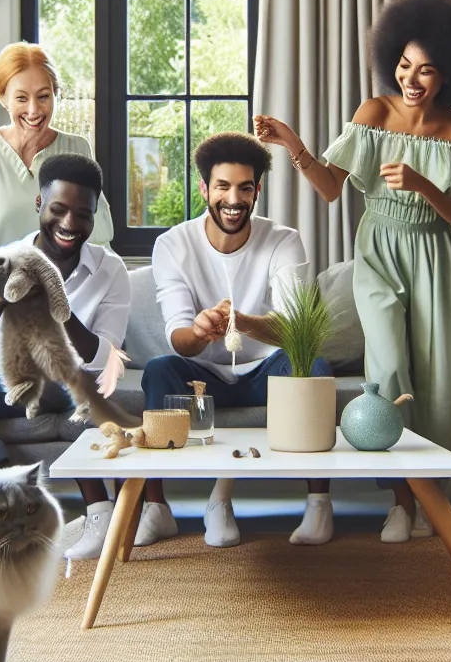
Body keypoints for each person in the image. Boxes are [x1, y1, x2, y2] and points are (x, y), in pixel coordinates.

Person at [254, 0, 451, 543]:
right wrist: (292, 141)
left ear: (450, 75)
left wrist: (421, 183)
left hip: (435, 254)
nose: (411, 79)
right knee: (386, 372)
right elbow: (330, 188)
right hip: (379, 249)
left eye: (427, 71)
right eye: (404, 65)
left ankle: (439, 499)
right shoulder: (373, 112)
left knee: (439, 381)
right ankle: (402, 500)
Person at [0, 153, 133, 560]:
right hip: (8, 384)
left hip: (70, 382)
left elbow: (104, 359)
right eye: (58, 209)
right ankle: (4, 486)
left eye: (83, 214)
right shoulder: (0, 260)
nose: (70, 224)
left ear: (94, 215)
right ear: (40, 205)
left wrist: (57, 305)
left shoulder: (111, 270)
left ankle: (100, 510)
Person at [142, 133, 335, 549]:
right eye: (223, 187)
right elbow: (178, 337)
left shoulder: (283, 239)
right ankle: (155, 507)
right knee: (159, 370)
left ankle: (319, 501)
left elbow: (294, 329)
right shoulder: (172, 245)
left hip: (266, 370)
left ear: (258, 191)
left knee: (313, 366)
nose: (234, 199)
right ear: (204, 189)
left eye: (245, 188)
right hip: (202, 376)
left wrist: (240, 322)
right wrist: (198, 331)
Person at [0, 42, 115, 345]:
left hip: (59, 311)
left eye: (44, 96)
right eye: (21, 98)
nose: (34, 110)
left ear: (55, 94)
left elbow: (97, 245)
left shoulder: (77, 150)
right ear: (3, 99)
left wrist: (101, 314)